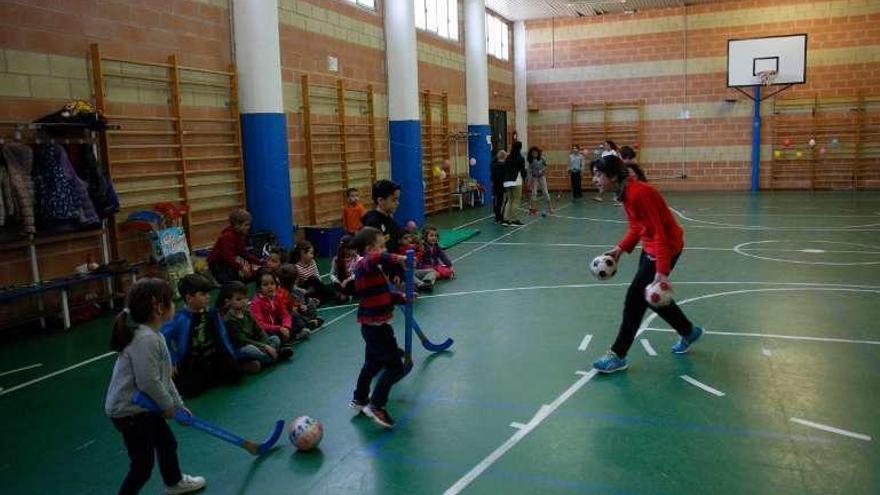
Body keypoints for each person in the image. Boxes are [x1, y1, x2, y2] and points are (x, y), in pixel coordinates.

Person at [589, 155, 703, 373]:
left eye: (598, 175)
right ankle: (688, 331)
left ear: (612, 176)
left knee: (635, 300)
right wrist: (619, 249)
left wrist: (662, 272)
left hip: (666, 246)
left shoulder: (638, 194)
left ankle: (618, 355)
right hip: (652, 246)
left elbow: (659, 233)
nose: (595, 180)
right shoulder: (624, 192)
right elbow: (638, 227)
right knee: (651, 298)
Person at [105, 278, 207, 495]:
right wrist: (168, 407)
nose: (175, 305)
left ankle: (174, 482)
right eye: (171, 301)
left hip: (145, 407)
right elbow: (148, 382)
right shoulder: (145, 339)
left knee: (167, 443)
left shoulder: (155, 335)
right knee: (142, 466)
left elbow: (163, 376)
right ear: (158, 307)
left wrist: (177, 405)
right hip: (130, 411)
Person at [349, 226, 408, 428]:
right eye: (381, 246)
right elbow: (374, 259)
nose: (384, 250)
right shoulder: (363, 265)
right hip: (375, 327)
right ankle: (377, 404)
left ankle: (360, 398)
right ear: (368, 249)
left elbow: (380, 294)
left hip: (375, 324)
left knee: (372, 363)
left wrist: (400, 297)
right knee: (394, 366)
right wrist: (398, 258)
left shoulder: (373, 269)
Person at [162, 274, 253, 397]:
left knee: (235, 375)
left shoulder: (212, 313)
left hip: (213, 357)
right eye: (203, 294)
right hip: (194, 362)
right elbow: (163, 337)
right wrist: (172, 361)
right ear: (189, 298)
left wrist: (231, 356)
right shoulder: (180, 318)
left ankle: (242, 365)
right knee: (191, 390)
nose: (208, 297)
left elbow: (223, 336)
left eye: (208, 293)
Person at [217, 282, 293, 370]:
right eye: (238, 299)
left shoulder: (247, 312)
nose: (243, 301)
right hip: (244, 347)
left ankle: (263, 360)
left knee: (275, 339)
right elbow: (242, 340)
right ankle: (275, 357)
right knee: (251, 349)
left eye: (244, 298)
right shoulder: (229, 319)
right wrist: (264, 347)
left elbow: (259, 330)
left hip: (257, 343)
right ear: (228, 301)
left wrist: (267, 344)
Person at [251, 267, 310, 343]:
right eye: (265, 285)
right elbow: (260, 325)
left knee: (292, 315)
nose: (270, 287)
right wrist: (279, 328)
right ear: (259, 287)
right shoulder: (256, 303)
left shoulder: (276, 297)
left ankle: (294, 334)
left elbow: (284, 314)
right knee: (273, 338)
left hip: (277, 326)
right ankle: (286, 340)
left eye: (272, 283)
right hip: (267, 329)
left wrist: (286, 327)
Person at [207, 208, 262, 284]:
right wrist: (241, 267)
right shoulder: (228, 236)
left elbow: (243, 253)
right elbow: (228, 256)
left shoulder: (241, 235)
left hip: (230, 260)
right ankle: (210, 275)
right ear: (236, 225)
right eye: (246, 225)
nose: (248, 227)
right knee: (231, 283)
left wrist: (259, 262)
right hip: (217, 264)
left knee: (248, 275)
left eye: (249, 225)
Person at [361, 179, 402, 253]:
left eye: (397, 199)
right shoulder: (372, 224)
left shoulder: (393, 223)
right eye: (393, 200)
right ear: (380, 201)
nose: (397, 203)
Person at [502, 141, 526, 226]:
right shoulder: (520, 158)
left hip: (506, 181)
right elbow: (523, 170)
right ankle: (513, 219)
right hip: (516, 180)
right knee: (516, 200)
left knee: (510, 200)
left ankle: (505, 219)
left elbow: (505, 168)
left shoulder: (508, 157)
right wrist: (525, 179)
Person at [526, 146, 554, 215]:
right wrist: (529, 181)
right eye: (533, 153)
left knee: (545, 192)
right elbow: (529, 171)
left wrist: (542, 170)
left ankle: (550, 208)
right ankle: (532, 209)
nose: (534, 154)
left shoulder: (542, 158)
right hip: (534, 178)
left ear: (538, 152)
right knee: (534, 193)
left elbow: (546, 166)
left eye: (535, 153)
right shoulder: (530, 160)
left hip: (542, 177)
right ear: (531, 154)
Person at [330, 235, 359, 300]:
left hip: (351, 282)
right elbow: (332, 274)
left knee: (355, 283)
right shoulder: (336, 259)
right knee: (333, 285)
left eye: (353, 249)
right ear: (343, 249)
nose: (352, 251)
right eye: (350, 249)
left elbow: (357, 274)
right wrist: (336, 281)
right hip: (341, 283)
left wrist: (347, 280)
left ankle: (343, 295)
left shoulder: (356, 258)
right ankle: (344, 295)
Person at [490, 150, 508, 223]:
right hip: (502, 185)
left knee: (497, 201)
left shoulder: (493, 164)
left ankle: (497, 216)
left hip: (495, 185)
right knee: (502, 201)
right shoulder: (504, 165)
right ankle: (501, 216)